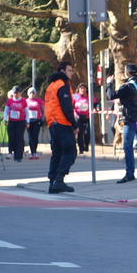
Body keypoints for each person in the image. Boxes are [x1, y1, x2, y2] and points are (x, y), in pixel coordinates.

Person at [107, 64, 137, 183]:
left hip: (130, 120)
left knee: (128, 146)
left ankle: (129, 174)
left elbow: (111, 95)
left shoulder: (126, 86)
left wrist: (109, 83)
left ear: (127, 73)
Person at [45, 61, 77, 193]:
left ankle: (52, 182)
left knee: (57, 153)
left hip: (52, 123)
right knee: (70, 152)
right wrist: (74, 124)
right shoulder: (63, 84)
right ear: (63, 71)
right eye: (70, 70)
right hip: (62, 123)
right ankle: (59, 180)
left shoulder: (51, 85)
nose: (72, 73)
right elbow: (66, 107)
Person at [4, 85, 27, 162]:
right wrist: (5, 119)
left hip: (20, 121)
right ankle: (10, 152)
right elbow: (6, 111)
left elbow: (27, 111)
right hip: (12, 121)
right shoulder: (10, 101)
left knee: (19, 138)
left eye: (17, 93)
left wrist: (27, 121)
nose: (16, 94)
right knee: (11, 137)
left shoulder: (23, 101)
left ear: (20, 93)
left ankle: (19, 155)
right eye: (14, 93)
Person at [73, 83, 93, 154]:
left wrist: (97, 107)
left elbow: (95, 103)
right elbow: (70, 105)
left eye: (84, 88)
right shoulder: (75, 96)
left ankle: (86, 146)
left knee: (87, 132)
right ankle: (81, 149)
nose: (83, 90)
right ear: (78, 89)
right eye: (81, 88)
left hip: (87, 117)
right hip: (78, 117)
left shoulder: (89, 96)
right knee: (80, 133)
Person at [26, 88, 45, 159]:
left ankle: (35, 152)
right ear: (28, 94)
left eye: (33, 93)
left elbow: (43, 110)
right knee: (30, 137)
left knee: (35, 137)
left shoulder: (39, 101)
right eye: (30, 93)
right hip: (29, 121)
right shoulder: (26, 101)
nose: (32, 94)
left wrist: (43, 119)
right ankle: (32, 152)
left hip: (37, 121)